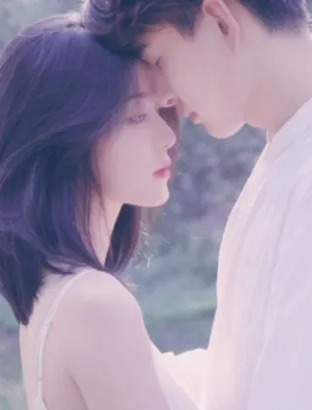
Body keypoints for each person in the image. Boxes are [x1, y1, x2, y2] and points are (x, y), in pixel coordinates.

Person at [82, 0, 312, 409]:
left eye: (159, 59)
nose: (165, 96)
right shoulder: (286, 155)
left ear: (220, 21)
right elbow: (240, 376)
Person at [0, 12, 197, 410]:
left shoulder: (56, 293)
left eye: (162, 111)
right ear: (67, 135)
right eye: (137, 115)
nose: (167, 136)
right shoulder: (96, 306)